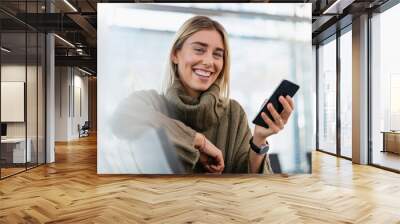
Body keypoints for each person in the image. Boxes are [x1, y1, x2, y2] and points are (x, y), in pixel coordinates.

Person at [112, 16, 294, 174]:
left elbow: (249, 180)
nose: (208, 61)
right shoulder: (151, 103)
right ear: (176, 54)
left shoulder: (233, 113)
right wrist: (198, 141)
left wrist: (259, 139)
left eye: (217, 54)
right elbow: (121, 117)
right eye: (199, 49)